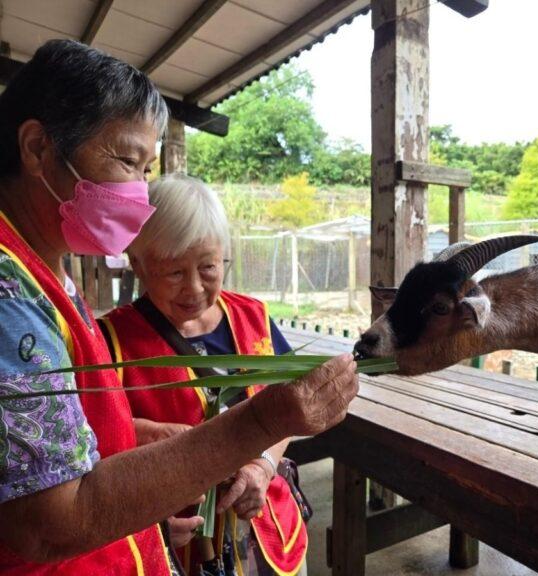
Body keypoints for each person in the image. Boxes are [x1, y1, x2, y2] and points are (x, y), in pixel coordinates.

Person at [0, 39, 358, 575]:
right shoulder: (11, 295)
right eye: (126, 159)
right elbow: (47, 520)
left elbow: (65, 433)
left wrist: (149, 438)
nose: (138, 192)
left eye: (148, 169)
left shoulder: (46, 268)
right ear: (37, 148)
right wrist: (256, 423)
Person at [100, 174, 307, 576]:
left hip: (269, 524)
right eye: (174, 273)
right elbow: (94, 440)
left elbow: (289, 405)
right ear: (137, 265)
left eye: (209, 267)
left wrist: (263, 466)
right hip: (174, 540)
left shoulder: (253, 317)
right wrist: (147, 518)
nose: (194, 288)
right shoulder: (112, 343)